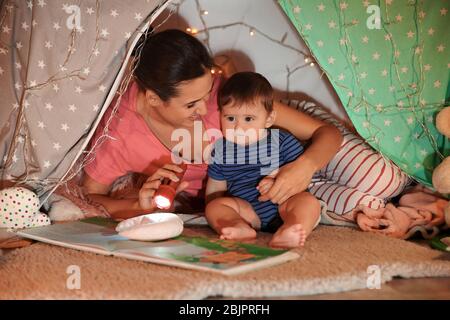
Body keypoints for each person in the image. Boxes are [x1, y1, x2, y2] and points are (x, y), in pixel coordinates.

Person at [82, 29, 406, 224]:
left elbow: (325, 134)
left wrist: (304, 166)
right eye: (191, 105)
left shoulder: (224, 95)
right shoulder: (119, 133)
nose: (204, 109)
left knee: (386, 179)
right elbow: (89, 198)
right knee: (369, 203)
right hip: (253, 182)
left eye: (207, 95)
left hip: (284, 137)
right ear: (152, 99)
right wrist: (138, 202)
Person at [205, 72, 321, 248]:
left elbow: (300, 176)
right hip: (248, 211)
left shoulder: (281, 140)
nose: (238, 126)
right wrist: (217, 211)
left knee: (308, 203)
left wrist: (276, 180)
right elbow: (215, 189)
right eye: (230, 118)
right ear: (220, 116)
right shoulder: (221, 150)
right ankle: (238, 226)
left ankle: (293, 227)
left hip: (285, 203)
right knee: (214, 206)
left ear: (269, 119)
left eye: (249, 119)